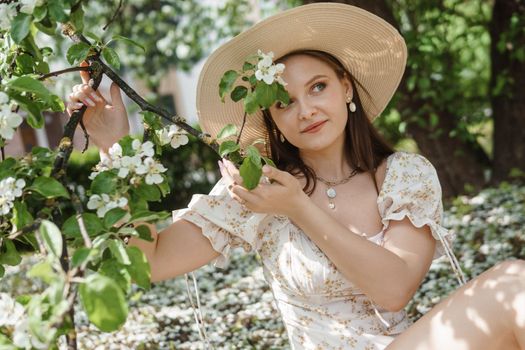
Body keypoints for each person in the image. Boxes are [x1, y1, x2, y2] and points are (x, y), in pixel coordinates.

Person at [66, 3, 525, 349]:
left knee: (513, 282)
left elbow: (394, 288)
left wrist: (298, 209)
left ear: (346, 86)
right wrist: (116, 148)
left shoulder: (404, 176)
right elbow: (150, 263)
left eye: (318, 87)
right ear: (270, 118)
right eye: (283, 101)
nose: (305, 110)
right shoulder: (256, 190)